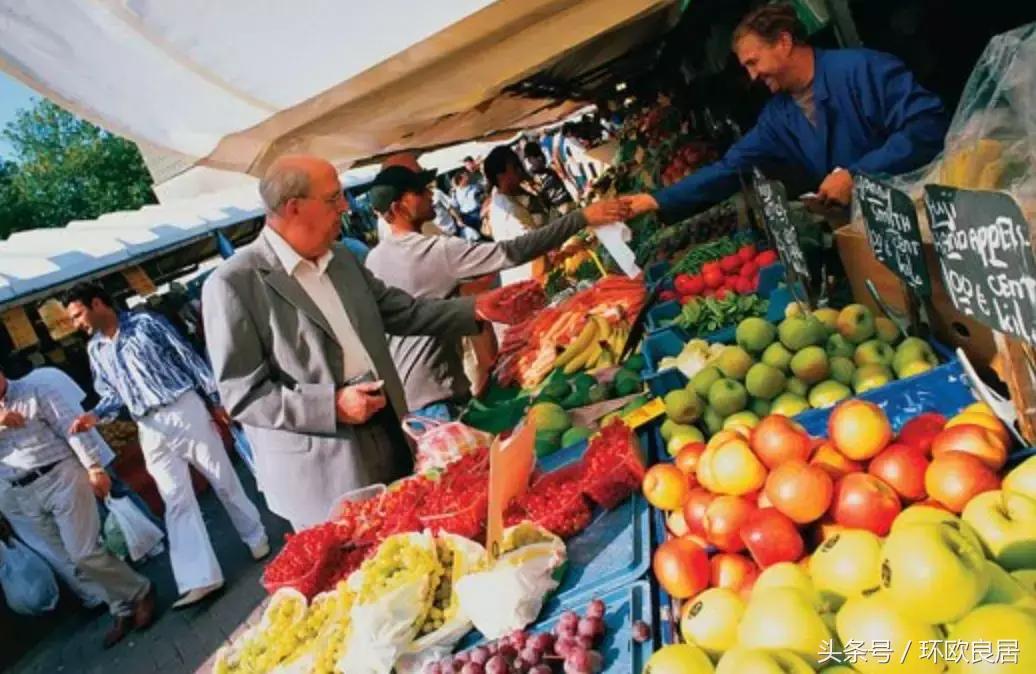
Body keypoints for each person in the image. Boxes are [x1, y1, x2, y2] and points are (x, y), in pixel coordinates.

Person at [199, 155, 499, 530]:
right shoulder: (234, 284)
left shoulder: (342, 257)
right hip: (326, 464)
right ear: (294, 208)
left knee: (432, 535)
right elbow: (243, 396)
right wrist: (331, 406)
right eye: (333, 199)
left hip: (389, 429)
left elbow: (402, 312)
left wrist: (477, 310)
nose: (345, 206)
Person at [624, 2, 947, 220]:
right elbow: (730, 167)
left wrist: (856, 175)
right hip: (871, 227)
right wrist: (658, 200)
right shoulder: (778, 115)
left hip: (926, 211)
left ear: (783, 42)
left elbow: (926, 127)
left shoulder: (863, 69)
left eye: (754, 62)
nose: (752, 76)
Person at [364, 165, 629, 417]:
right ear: (398, 207)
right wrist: (582, 217)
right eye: (421, 192)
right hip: (438, 399)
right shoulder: (434, 251)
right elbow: (513, 251)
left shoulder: (373, 260)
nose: (432, 194)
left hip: (407, 400)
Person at [65, 285, 269, 609]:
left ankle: (256, 536)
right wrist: (95, 415)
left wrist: (214, 400)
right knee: (175, 499)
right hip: (148, 426)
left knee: (222, 478)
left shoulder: (147, 324)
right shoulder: (96, 350)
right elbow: (112, 394)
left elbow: (189, 358)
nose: (76, 324)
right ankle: (200, 577)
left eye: (78, 315)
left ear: (98, 303)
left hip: (182, 407)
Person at [0, 365, 155, 648]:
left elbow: (72, 429)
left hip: (60, 476)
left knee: (83, 552)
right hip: (23, 491)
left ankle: (140, 591)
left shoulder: (35, 389)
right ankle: (121, 608)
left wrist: (95, 467)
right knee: (72, 562)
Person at [484, 145, 554, 285]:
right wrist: (540, 287)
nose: (519, 171)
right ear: (500, 176)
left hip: (518, 279)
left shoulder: (498, 199)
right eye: (514, 167)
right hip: (528, 280)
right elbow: (536, 252)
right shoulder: (511, 209)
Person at [523, 142, 575, 215]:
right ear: (529, 159)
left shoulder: (550, 170)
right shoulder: (533, 178)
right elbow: (543, 201)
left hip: (570, 204)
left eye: (540, 154)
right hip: (560, 211)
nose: (541, 158)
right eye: (536, 156)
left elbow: (564, 186)